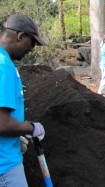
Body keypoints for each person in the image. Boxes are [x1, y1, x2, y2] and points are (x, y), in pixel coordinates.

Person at [0, 14, 46, 186]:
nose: (32, 49)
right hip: (4, 166)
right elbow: (2, 124)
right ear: (20, 36)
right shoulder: (3, 65)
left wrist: (15, 134)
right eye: (32, 42)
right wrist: (31, 128)